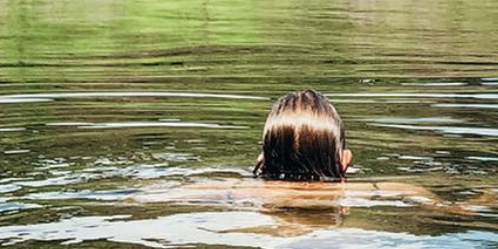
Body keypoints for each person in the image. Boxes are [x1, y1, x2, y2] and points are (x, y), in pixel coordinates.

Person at [132, 88, 444, 213]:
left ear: (262, 161)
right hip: (343, 243)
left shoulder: (231, 191)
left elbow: (143, 196)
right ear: (344, 161)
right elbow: (452, 208)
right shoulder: (378, 191)